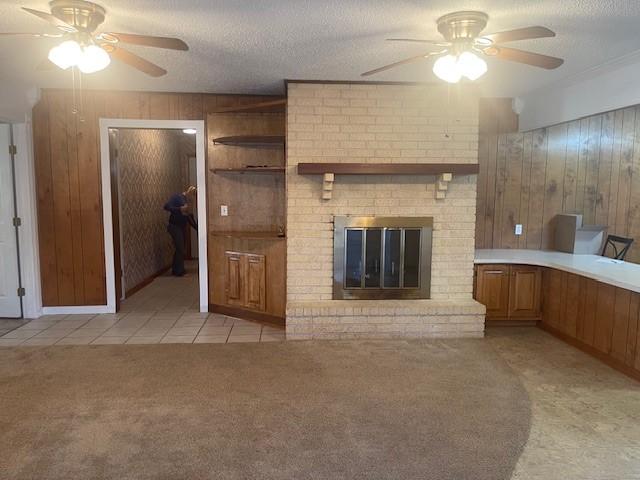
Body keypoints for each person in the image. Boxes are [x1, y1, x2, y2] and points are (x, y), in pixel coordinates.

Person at [164, 186, 198, 276]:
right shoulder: (177, 197)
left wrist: (198, 229)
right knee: (180, 248)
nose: (193, 198)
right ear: (189, 191)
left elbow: (190, 218)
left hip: (181, 227)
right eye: (193, 194)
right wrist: (179, 209)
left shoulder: (188, 202)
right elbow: (166, 206)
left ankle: (175, 269)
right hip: (174, 226)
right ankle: (179, 271)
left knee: (180, 248)